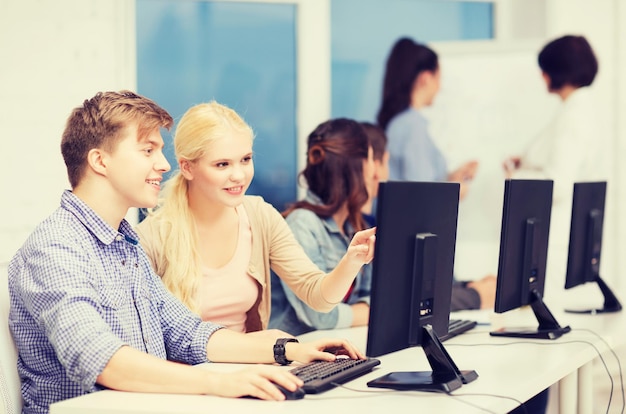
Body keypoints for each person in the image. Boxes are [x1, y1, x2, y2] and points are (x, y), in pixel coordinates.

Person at [7, 91, 367, 414]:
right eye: (147, 150)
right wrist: (220, 384)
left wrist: (286, 350)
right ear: (100, 161)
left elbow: (189, 333)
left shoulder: (123, 244)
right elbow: (101, 360)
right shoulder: (55, 249)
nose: (164, 166)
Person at [136, 101, 376, 335]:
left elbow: (319, 298)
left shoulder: (260, 216)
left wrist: (352, 261)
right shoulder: (152, 236)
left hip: (250, 367)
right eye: (222, 164)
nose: (239, 175)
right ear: (187, 168)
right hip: (192, 373)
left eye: (246, 159)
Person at [502, 34, 604, 299]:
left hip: (557, 239)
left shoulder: (573, 116)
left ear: (556, 72)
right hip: (561, 235)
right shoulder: (576, 109)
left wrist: (516, 176)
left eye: (544, 70)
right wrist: (527, 163)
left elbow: (557, 183)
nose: (541, 77)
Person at [360, 122, 495, 311]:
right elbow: (402, 302)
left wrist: (471, 287)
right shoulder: (367, 232)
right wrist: (475, 296)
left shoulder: (373, 223)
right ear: (376, 167)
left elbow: (415, 291)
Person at [269, 119, 375, 335]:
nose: (376, 172)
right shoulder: (302, 224)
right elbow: (320, 316)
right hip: (296, 351)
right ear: (359, 166)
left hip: (339, 340)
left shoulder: (354, 225)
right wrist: (368, 313)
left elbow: (371, 292)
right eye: (372, 159)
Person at [377, 37, 478, 201]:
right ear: (425, 78)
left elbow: (417, 183)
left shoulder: (401, 123)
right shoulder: (412, 126)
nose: (440, 87)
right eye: (438, 78)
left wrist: (452, 178)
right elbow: (421, 196)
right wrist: (456, 192)